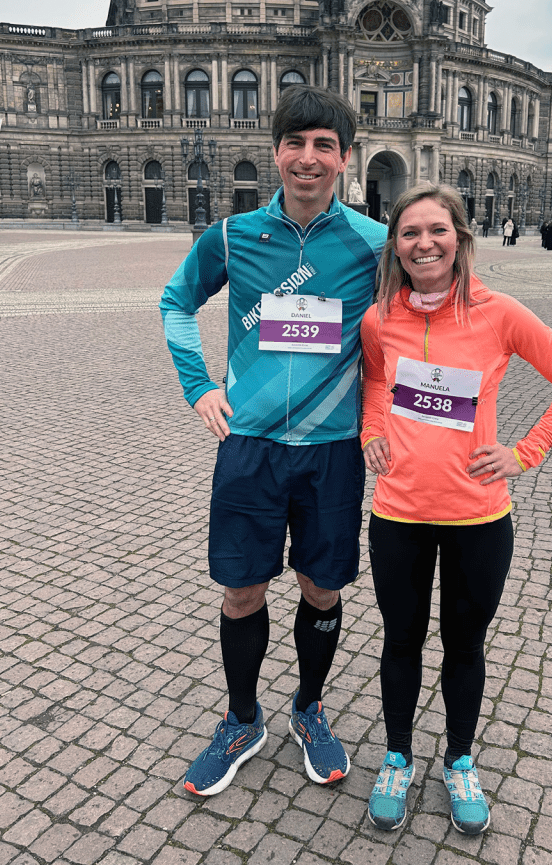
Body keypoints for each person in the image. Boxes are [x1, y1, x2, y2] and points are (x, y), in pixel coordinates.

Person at [160, 85, 387, 796]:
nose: (308, 158)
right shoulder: (229, 237)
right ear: (276, 153)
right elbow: (175, 303)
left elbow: (426, 325)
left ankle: (309, 708)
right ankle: (241, 718)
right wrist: (199, 386)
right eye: (295, 143)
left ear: (346, 159)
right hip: (250, 448)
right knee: (241, 591)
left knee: (322, 589)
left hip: (333, 452)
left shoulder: (377, 245)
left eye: (325, 145)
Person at [360, 184, 552, 836]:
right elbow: (376, 378)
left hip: (478, 518)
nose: (423, 243)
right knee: (401, 642)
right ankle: (398, 757)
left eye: (436, 230)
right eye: (409, 233)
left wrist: (526, 452)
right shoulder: (380, 316)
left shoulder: (500, 313)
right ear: (396, 247)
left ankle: (459, 760)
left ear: (460, 238)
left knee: (465, 645)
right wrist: (371, 431)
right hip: (398, 514)